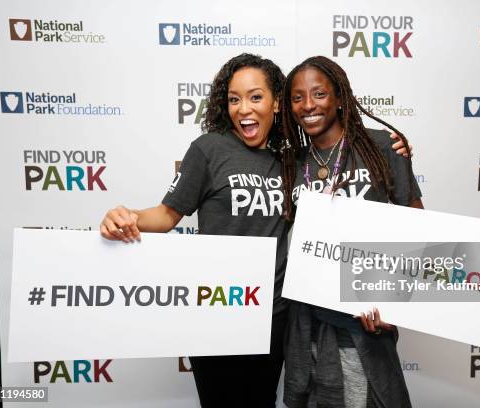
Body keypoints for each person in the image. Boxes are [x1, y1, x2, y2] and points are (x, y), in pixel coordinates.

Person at [100, 53, 412, 407]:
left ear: (276, 103)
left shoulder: (290, 160)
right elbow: (166, 215)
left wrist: (393, 150)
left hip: (277, 316)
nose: (243, 108)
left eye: (255, 97)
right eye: (234, 99)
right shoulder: (210, 149)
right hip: (216, 312)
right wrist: (126, 216)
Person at [280, 56, 423, 408]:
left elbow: (417, 227)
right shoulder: (292, 162)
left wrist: (397, 306)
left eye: (319, 94)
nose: (308, 105)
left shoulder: (383, 148)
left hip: (362, 322)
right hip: (307, 323)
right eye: (297, 98)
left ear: (340, 97)